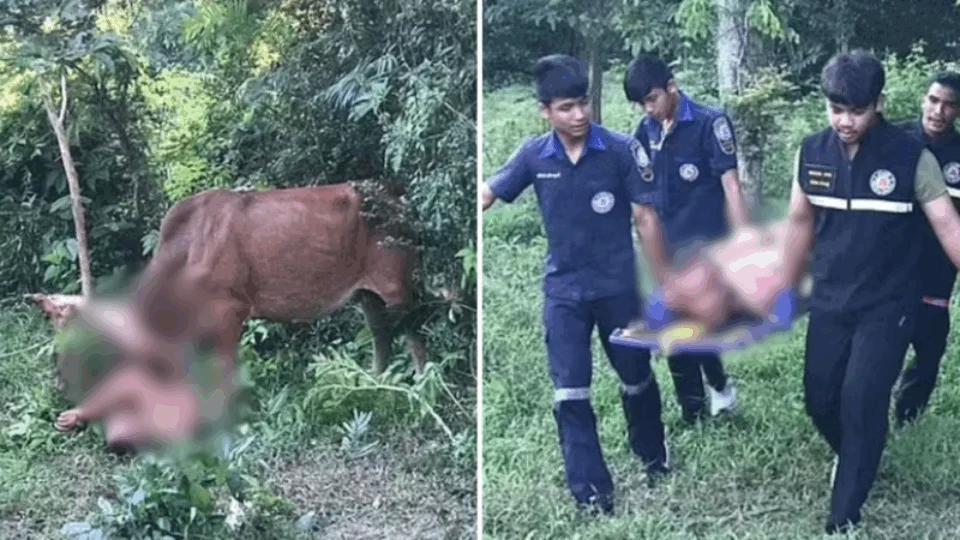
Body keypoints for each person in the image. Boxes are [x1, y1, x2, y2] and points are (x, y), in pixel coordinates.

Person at [481, 54, 670, 515]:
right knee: (570, 392)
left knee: (636, 379)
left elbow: (645, 218)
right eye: (566, 107)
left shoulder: (621, 150)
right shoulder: (533, 155)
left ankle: (652, 454)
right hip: (563, 293)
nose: (579, 115)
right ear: (545, 111)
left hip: (618, 290)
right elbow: (487, 193)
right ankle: (591, 493)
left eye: (583, 103)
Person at [782, 50, 960, 534]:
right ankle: (859, 455)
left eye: (856, 111)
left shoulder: (911, 158)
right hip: (831, 300)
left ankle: (844, 515)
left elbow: (948, 228)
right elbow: (799, 225)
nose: (844, 121)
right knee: (820, 399)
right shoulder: (811, 153)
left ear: (878, 103)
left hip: (888, 305)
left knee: (862, 398)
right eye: (836, 110)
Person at [623, 55, 747, 423]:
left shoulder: (711, 124)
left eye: (652, 99)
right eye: (642, 104)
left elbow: (731, 186)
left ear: (672, 87)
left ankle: (718, 390)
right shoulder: (645, 132)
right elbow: (639, 194)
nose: (649, 109)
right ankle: (696, 408)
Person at [893, 72, 960, 426]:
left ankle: (908, 419)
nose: (939, 111)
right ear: (923, 99)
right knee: (880, 349)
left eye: (949, 105)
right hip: (888, 269)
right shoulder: (893, 140)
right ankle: (864, 415)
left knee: (929, 351)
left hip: (937, 272)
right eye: (934, 100)